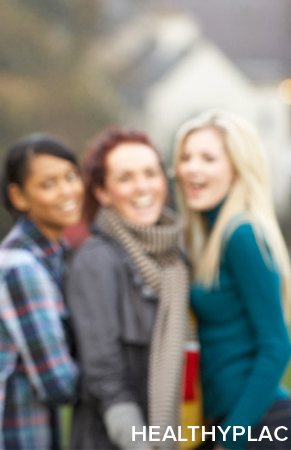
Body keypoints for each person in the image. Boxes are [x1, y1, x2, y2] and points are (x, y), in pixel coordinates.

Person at [173, 109, 291, 450]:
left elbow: (277, 346)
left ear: (237, 168)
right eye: (186, 157)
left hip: (261, 428)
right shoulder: (208, 234)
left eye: (208, 158)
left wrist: (229, 441)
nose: (192, 168)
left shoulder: (241, 234)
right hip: (225, 424)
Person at [0, 134, 82, 449]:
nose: (67, 191)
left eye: (70, 177)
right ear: (19, 196)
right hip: (2, 438)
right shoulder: (22, 269)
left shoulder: (56, 254)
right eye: (48, 184)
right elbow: (58, 384)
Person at [65, 128, 190, 449]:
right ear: (103, 193)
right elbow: (104, 376)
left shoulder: (177, 257)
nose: (143, 187)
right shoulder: (96, 260)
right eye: (125, 178)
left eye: (151, 173)